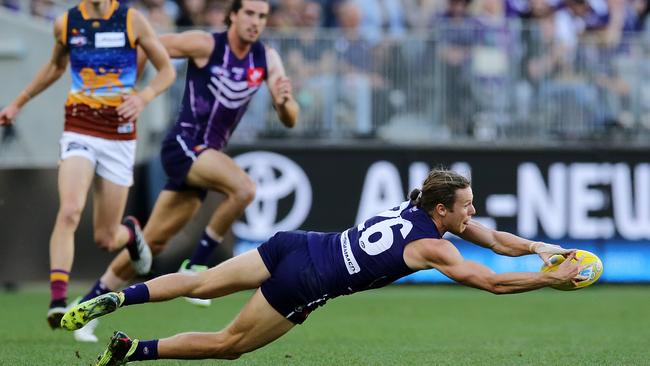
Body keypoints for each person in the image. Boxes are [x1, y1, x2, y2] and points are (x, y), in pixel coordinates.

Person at [61, 168, 584, 364]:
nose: (474, 211)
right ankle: (134, 350)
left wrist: (538, 247)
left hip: (298, 244)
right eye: (467, 204)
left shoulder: (420, 205)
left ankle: (112, 298)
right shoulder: (436, 247)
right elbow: (490, 282)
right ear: (442, 209)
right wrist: (550, 279)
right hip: (308, 281)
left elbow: (494, 241)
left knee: (200, 281)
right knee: (228, 346)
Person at [71, 0, 299, 341]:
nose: (256, 21)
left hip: (206, 157)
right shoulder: (206, 43)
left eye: (262, 16)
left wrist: (284, 102)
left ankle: (87, 307)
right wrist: (133, 89)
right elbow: (151, 44)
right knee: (245, 188)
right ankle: (196, 267)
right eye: (249, 13)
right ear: (233, 15)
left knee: (151, 245)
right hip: (183, 144)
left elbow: (290, 119)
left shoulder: (266, 58)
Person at [0, 0, 176, 330]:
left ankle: (130, 233)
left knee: (107, 237)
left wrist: (143, 97)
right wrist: (18, 103)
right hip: (79, 126)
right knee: (69, 210)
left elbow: (167, 70)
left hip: (120, 135)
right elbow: (55, 66)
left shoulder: (131, 21)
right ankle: (57, 300)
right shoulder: (67, 23)